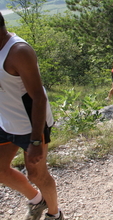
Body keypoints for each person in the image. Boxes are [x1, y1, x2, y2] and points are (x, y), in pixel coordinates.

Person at [0, 13, 64, 220]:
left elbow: (38, 97)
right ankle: (37, 201)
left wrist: (36, 140)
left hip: (30, 124)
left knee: (36, 173)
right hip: (5, 121)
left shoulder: (18, 51)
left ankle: (55, 214)